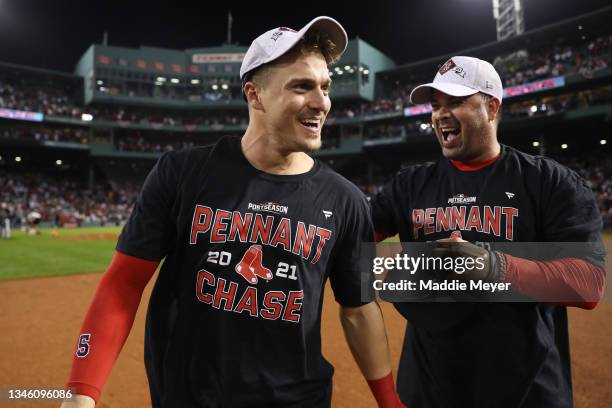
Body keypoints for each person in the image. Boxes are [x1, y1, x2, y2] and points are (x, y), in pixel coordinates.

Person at [62, 17, 403, 408]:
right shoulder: (182, 173)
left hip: (297, 399)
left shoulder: (347, 201)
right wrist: (81, 394)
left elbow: (359, 309)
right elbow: (122, 285)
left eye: (325, 87)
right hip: (188, 396)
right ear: (254, 95)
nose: (322, 102)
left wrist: (390, 402)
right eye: (302, 86)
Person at [371, 56, 606, 407]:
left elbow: (588, 284)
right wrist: (391, 277)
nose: (439, 115)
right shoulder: (409, 185)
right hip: (431, 388)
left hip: (528, 390)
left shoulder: (548, 181)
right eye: (436, 106)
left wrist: (493, 266)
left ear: (492, 107)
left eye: (455, 102)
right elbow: (347, 236)